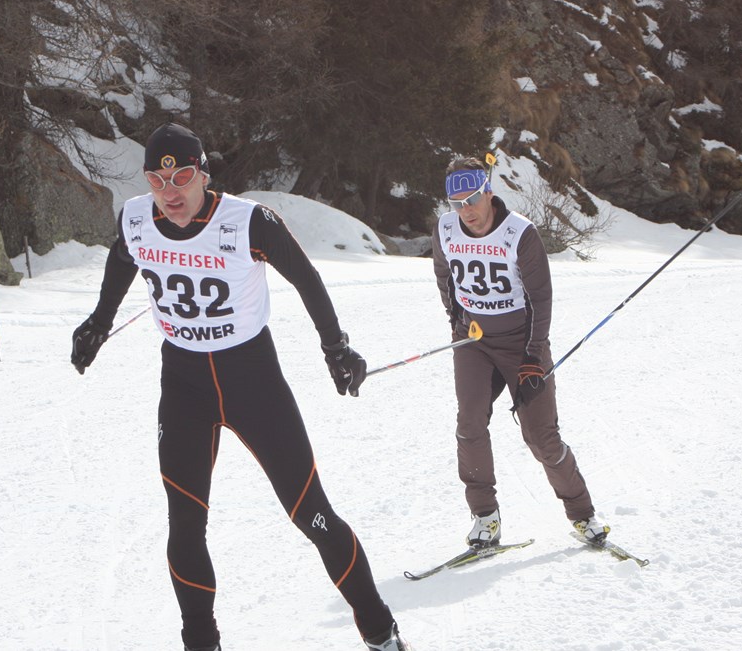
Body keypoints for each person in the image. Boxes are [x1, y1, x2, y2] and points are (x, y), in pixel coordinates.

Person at [70, 123, 410, 651]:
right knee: (185, 524)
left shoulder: (247, 221)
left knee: (312, 514)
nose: (170, 192)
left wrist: (336, 347)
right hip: (183, 384)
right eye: (158, 181)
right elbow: (122, 257)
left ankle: (380, 631)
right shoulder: (136, 217)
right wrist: (99, 321)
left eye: (183, 177)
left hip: (252, 381)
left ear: (204, 174)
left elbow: (305, 276)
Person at [431, 156, 608, 550]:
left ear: (487, 192)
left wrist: (532, 355)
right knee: (469, 423)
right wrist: (456, 319)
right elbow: (444, 275)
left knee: (542, 438)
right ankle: (485, 516)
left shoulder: (519, 233)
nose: (466, 210)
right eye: (457, 203)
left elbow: (541, 299)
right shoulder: (445, 228)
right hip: (473, 341)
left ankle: (582, 513)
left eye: (472, 199)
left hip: (522, 343)